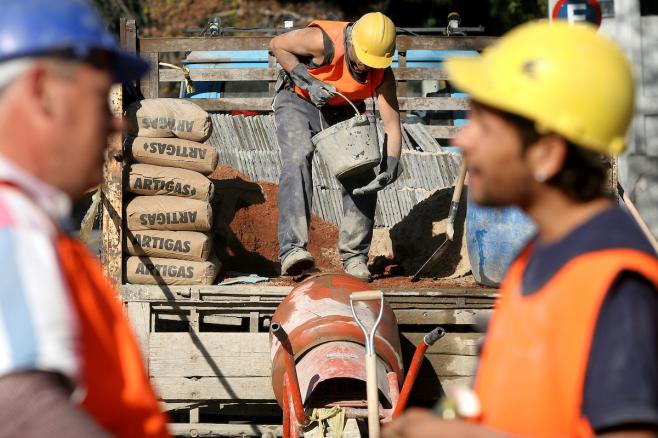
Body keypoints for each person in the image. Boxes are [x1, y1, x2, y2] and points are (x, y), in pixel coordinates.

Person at [384, 21, 658, 437]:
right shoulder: (537, 259)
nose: (463, 140)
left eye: (486, 127)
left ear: (546, 154)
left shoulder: (613, 280)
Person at [0, 0, 170, 436]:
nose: (117, 123)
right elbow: (18, 408)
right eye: (99, 99)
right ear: (42, 93)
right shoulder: (11, 222)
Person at [269, 12, 402, 281]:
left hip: (343, 109)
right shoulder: (322, 40)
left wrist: (391, 164)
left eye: (373, 63)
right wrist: (308, 80)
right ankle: (292, 251)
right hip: (299, 100)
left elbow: (392, 125)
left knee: (363, 172)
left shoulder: (382, 74)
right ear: (353, 43)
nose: (367, 67)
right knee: (297, 157)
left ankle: (355, 257)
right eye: (363, 60)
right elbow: (277, 44)